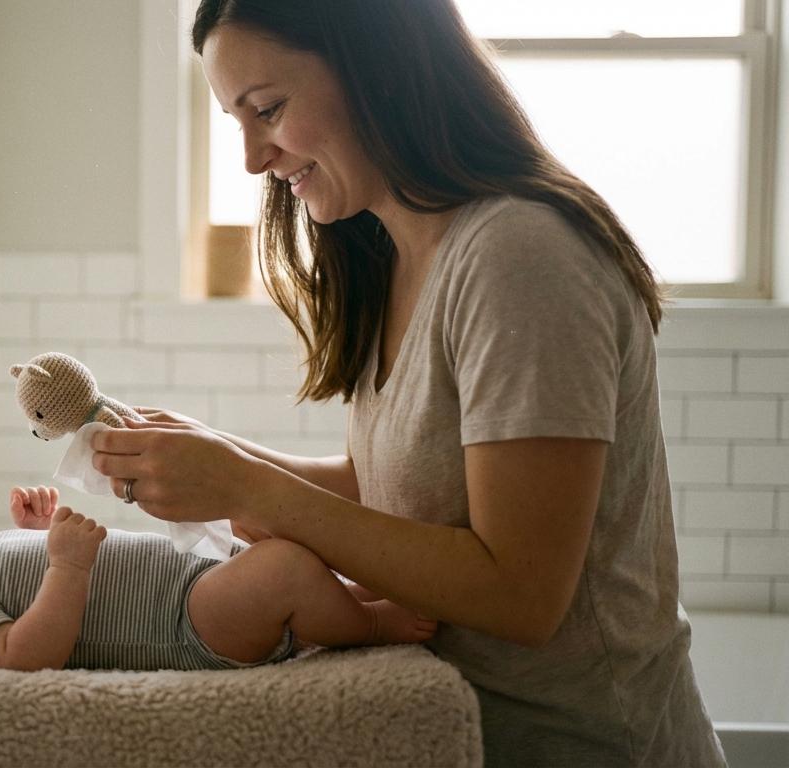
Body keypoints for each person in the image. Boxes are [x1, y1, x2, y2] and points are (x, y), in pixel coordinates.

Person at [89, 1, 724, 765]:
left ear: (374, 69)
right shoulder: (392, 257)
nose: (255, 159)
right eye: (239, 122)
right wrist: (216, 463)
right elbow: (394, 487)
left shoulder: (520, 256)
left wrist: (253, 489)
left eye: (269, 110)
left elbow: (521, 594)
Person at [0, 475, 435, 671]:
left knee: (268, 539)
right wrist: (67, 566)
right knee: (283, 566)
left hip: (191, 581)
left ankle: (342, 595)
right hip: (188, 624)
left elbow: (22, 587)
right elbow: (23, 655)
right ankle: (365, 622)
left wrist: (40, 538)